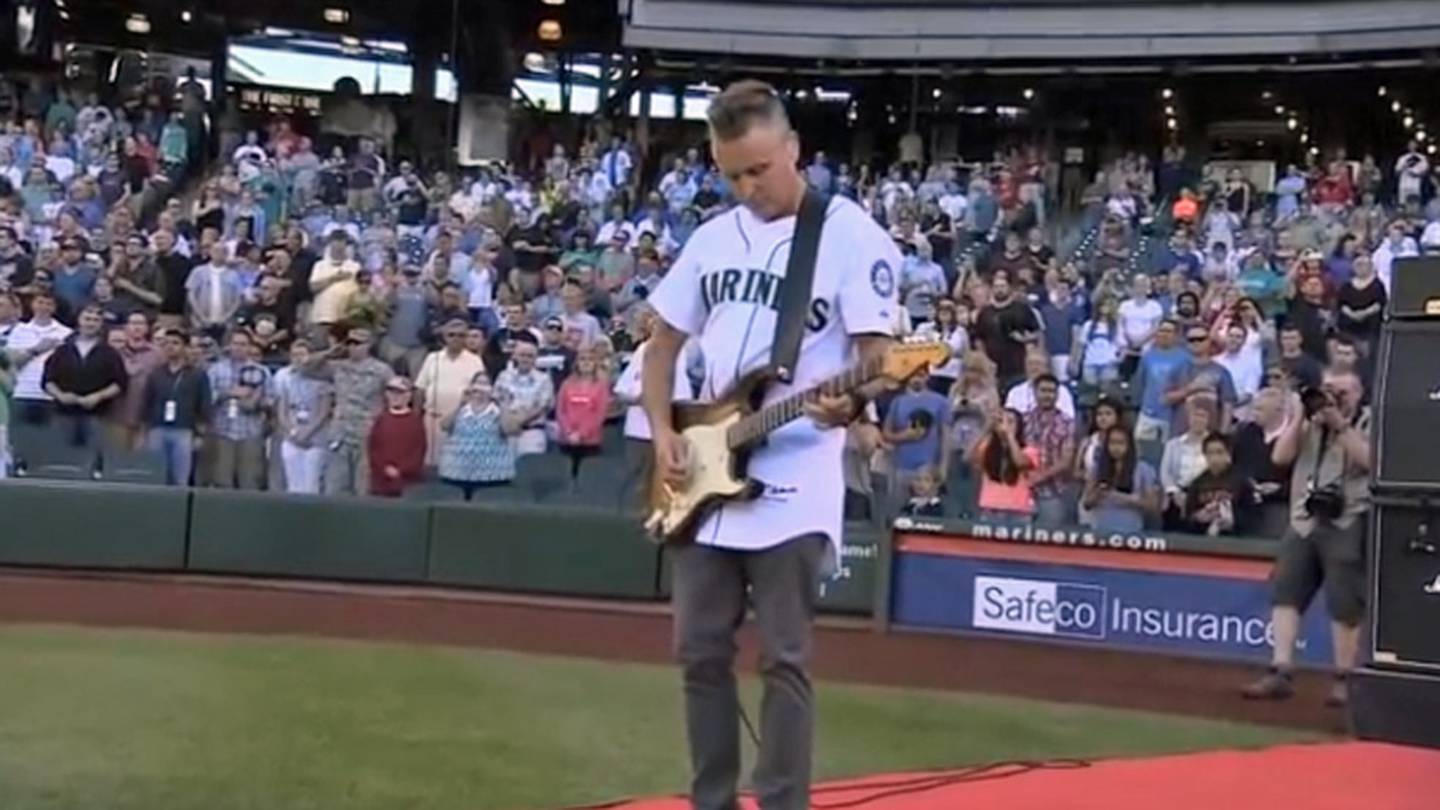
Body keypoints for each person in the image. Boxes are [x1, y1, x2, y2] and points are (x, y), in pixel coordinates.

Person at [640, 80, 899, 810]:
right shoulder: (712, 238)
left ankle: (783, 800)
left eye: (759, 168)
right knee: (698, 654)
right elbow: (660, 349)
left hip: (794, 477)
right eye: (733, 175)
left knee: (784, 659)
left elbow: (878, 357)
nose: (748, 186)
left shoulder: (850, 234)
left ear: (793, 149)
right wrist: (663, 433)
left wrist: (852, 400)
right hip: (703, 471)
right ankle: (711, 800)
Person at [1243, 371, 1371, 707]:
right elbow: (1280, 458)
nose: (1334, 398)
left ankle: (1344, 678)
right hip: (1302, 519)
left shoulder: (1370, 419)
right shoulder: (1310, 424)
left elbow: (1372, 462)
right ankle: (1280, 670)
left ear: (1358, 393)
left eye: (1342, 392)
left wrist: (1340, 424)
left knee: (1345, 602)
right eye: (1329, 392)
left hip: (1346, 518)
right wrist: (1301, 413)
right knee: (1286, 593)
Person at [41, 305, 128, 461]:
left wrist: (98, 396)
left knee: (92, 459)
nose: (91, 323)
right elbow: (48, 380)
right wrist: (60, 395)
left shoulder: (110, 353)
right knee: (60, 459)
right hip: (63, 414)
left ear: (101, 324)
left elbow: (119, 383)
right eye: (87, 319)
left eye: (96, 320)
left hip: (96, 416)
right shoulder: (62, 351)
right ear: (79, 320)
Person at [140, 328, 210, 486]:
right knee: (155, 477)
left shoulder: (197, 374)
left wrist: (200, 435)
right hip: (157, 429)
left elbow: (204, 404)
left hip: (184, 430)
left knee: (180, 478)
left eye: (175, 343)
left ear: (185, 347)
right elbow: (146, 402)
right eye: (166, 343)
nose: (170, 347)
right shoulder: (156, 373)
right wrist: (143, 432)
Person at [414, 318, 487, 467]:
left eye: (461, 335)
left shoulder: (475, 361)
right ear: (445, 337)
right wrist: (416, 418)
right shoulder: (432, 358)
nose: (456, 339)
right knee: (431, 466)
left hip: (462, 423)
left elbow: (481, 393)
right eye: (452, 335)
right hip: (432, 421)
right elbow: (420, 389)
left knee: (458, 465)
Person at [205, 330, 270, 489]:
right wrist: (227, 393)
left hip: (250, 432)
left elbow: (271, 400)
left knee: (249, 480)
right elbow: (206, 399)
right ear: (229, 346)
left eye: (243, 344)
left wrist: (255, 400)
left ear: (249, 347)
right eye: (236, 344)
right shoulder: (215, 370)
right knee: (221, 480)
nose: (239, 348)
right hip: (222, 431)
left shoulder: (262, 371)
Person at [439, 375, 520, 499]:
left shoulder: (497, 412)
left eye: (485, 384)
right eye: (477, 384)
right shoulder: (462, 410)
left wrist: (503, 405)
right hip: (457, 474)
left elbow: (511, 429)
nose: (480, 390)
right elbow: (444, 425)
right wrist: (460, 404)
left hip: (492, 477)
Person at [276, 339, 332, 494]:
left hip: (315, 438)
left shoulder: (321, 379)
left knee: (311, 485)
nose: (298, 358)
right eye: (294, 355)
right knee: (293, 484)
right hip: (291, 436)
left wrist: (307, 433)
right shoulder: (285, 377)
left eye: (302, 354)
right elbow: (282, 410)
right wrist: (292, 432)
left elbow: (323, 412)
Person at [882, 369, 951, 495]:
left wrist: (943, 466)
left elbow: (945, 436)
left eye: (920, 375)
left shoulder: (940, 402)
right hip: (901, 466)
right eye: (913, 375)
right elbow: (886, 434)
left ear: (928, 377)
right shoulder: (898, 401)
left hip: (928, 469)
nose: (916, 379)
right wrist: (904, 436)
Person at [966, 407, 1039, 525]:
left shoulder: (1029, 451)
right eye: (1001, 421)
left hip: (1018, 511)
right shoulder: (987, 448)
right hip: (990, 509)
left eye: (1010, 422)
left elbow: (1019, 462)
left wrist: (1010, 436)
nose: (1005, 425)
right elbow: (968, 457)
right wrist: (986, 430)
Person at [1082, 426, 1160, 533]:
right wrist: (1097, 494)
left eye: (1120, 443)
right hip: (1100, 531)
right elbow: (1086, 503)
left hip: (1131, 531)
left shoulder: (1143, 469)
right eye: (1112, 443)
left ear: (1129, 445)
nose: (1116, 447)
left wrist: (1130, 499)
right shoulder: (1097, 468)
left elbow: (1153, 506)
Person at [1022, 373, 1075, 527]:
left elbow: (1066, 460)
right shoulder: (1024, 420)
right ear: (1035, 392)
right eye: (1043, 390)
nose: (1047, 395)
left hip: (1053, 491)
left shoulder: (1067, 423)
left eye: (1052, 391)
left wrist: (1040, 476)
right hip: (1023, 490)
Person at [1177, 433, 1255, 536]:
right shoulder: (1197, 484)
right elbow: (1186, 520)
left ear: (1228, 454)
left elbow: (1252, 518)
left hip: (1234, 541)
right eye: (1210, 453)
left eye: (1219, 452)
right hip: (1201, 540)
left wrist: (1231, 518)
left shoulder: (1242, 481)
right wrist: (1199, 517)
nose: (1214, 458)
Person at [555, 346, 611, 478]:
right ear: (577, 363)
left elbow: (599, 414)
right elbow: (560, 410)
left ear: (595, 364)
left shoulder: (601, 387)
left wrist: (581, 434)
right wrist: (569, 432)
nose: (586, 362)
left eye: (590, 360)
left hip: (590, 441)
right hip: (567, 440)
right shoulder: (567, 384)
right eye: (582, 359)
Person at [1160, 398, 1216, 529]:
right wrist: (1174, 493)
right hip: (1177, 495)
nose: (1198, 420)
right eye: (1195, 415)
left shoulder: (1214, 445)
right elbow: (1165, 472)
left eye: (1202, 416)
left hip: (1204, 497)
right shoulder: (1173, 444)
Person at [367, 376, 426, 497]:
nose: (394, 396)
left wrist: (401, 470)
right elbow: (373, 449)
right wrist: (384, 468)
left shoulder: (415, 421)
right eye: (391, 392)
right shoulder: (380, 420)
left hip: (407, 485)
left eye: (399, 392)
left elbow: (419, 451)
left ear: (408, 396)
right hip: (380, 484)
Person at [494, 340, 554, 458]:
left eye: (530, 356)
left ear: (536, 358)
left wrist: (518, 422)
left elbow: (542, 406)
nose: (525, 359)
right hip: (506, 431)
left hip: (532, 432)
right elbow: (497, 400)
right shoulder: (504, 376)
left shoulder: (544, 379)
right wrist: (508, 423)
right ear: (515, 356)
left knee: (529, 471)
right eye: (522, 355)